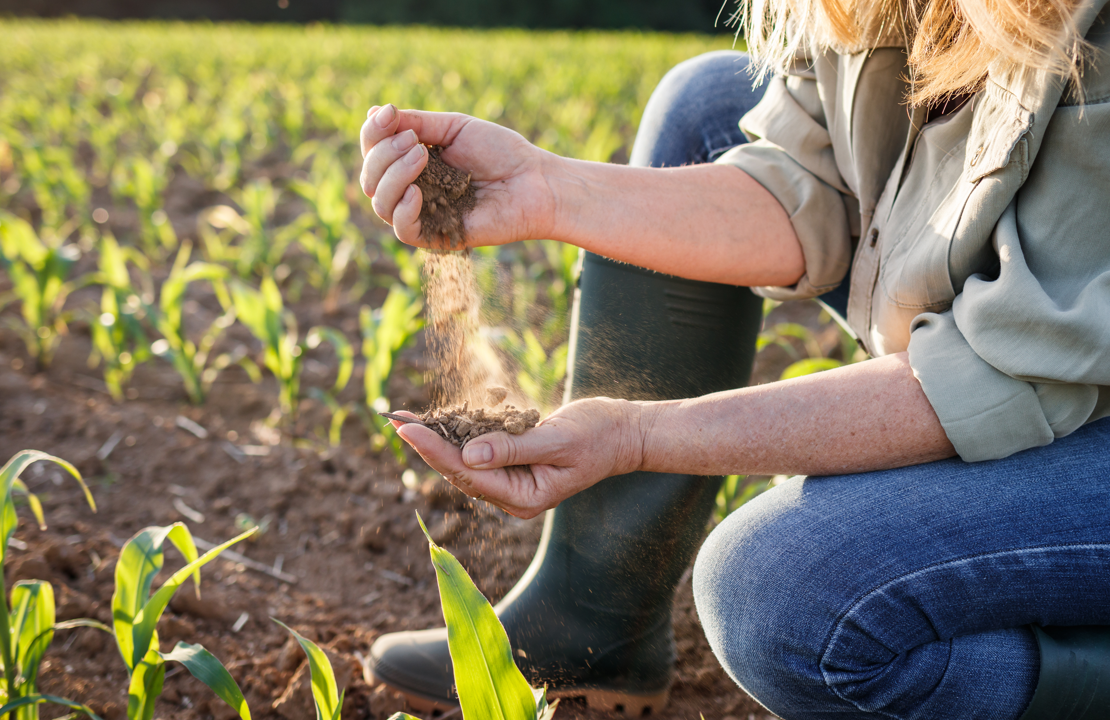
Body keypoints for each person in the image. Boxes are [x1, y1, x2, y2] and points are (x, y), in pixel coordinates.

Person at [357, 0, 1110, 714]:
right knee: (708, 107)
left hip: (1064, 373)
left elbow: (1000, 371)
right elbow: (811, 192)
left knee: (779, 593)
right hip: (1039, 338)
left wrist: (639, 436)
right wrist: (548, 188)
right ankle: (592, 616)